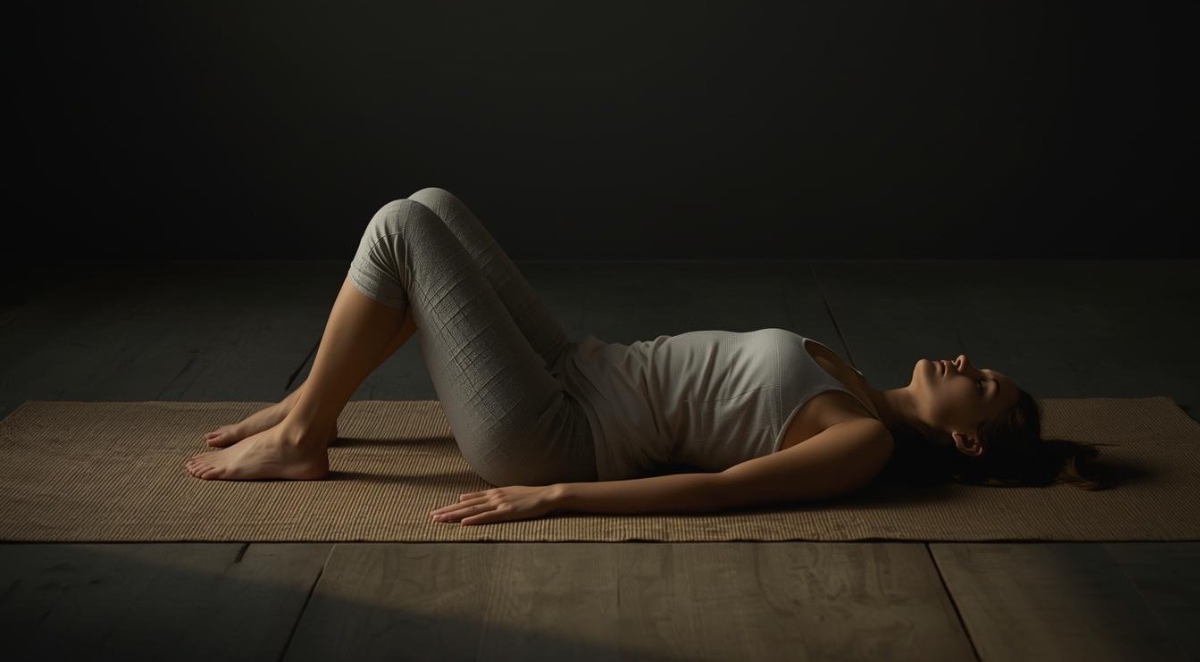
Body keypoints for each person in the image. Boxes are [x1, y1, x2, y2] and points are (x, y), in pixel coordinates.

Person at [185, 188, 1110, 524]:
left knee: (399, 230)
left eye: (982, 384)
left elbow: (713, 494)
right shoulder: (847, 372)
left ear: (971, 445)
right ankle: (311, 402)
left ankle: (304, 432)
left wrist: (553, 496)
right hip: (574, 367)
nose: (964, 360)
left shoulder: (861, 442)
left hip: (554, 434)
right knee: (435, 205)